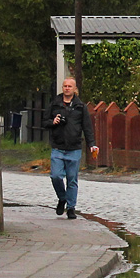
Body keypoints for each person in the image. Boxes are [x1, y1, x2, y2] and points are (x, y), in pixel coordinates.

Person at [42, 77, 98, 219]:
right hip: (58, 147)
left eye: (70, 86)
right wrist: (52, 122)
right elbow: (44, 122)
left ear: (74, 89)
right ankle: (62, 198)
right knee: (55, 176)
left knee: (72, 179)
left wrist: (92, 144)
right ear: (62, 88)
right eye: (65, 86)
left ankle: (71, 208)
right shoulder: (55, 104)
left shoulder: (80, 107)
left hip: (74, 148)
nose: (67, 88)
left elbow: (87, 127)